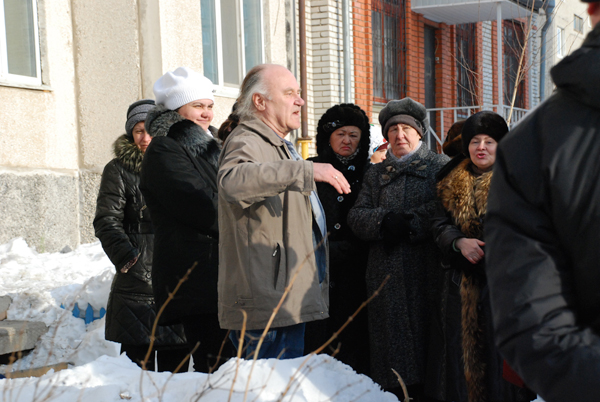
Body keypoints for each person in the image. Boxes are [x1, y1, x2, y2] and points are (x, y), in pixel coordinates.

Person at [485, 3, 600, 401]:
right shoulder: (531, 149)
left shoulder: (531, 145)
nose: (481, 147)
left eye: (487, 139)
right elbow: (537, 324)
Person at [217, 64, 351, 360]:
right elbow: (232, 182)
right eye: (289, 93)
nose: (300, 101)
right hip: (267, 306)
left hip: (285, 300)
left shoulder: (279, 144)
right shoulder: (246, 140)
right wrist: (305, 170)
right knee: (265, 390)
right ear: (260, 102)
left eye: (299, 93)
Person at [427, 111, 535, 402]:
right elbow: (438, 224)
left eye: (490, 141)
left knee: (504, 372)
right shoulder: (449, 181)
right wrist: (459, 242)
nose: (482, 147)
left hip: (507, 290)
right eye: (475, 141)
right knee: (463, 368)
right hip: (460, 288)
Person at [347, 97, 448, 400]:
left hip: (428, 271)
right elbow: (356, 215)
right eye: (393, 130)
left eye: (406, 129)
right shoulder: (376, 174)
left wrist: (412, 222)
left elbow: (446, 209)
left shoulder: (440, 167)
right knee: (392, 353)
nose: (399, 136)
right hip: (385, 275)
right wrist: (384, 220)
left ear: (420, 133)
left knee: (429, 346)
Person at [139, 67, 228, 373]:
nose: (206, 114)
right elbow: (200, 205)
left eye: (210, 106)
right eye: (198, 106)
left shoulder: (214, 145)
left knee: (232, 366)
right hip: (197, 276)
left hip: (223, 272)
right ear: (177, 110)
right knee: (214, 367)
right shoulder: (164, 149)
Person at [94, 99, 187, 371]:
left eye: (150, 129)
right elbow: (106, 220)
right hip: (135, 285)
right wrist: (128, 259)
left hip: (175, 279)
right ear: (129, 133)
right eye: (137, 131)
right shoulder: (118, 170)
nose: (145, 137)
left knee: (176, 375)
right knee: (136, 374)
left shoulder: (178, 164)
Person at [303, 104, 371, 374]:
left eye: (353, 134)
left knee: (356, 343)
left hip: (360, 272)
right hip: (317, 270)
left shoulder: (371, 173)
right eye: (340, 134)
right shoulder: (310, 169)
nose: (347, 141)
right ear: (327, 137)